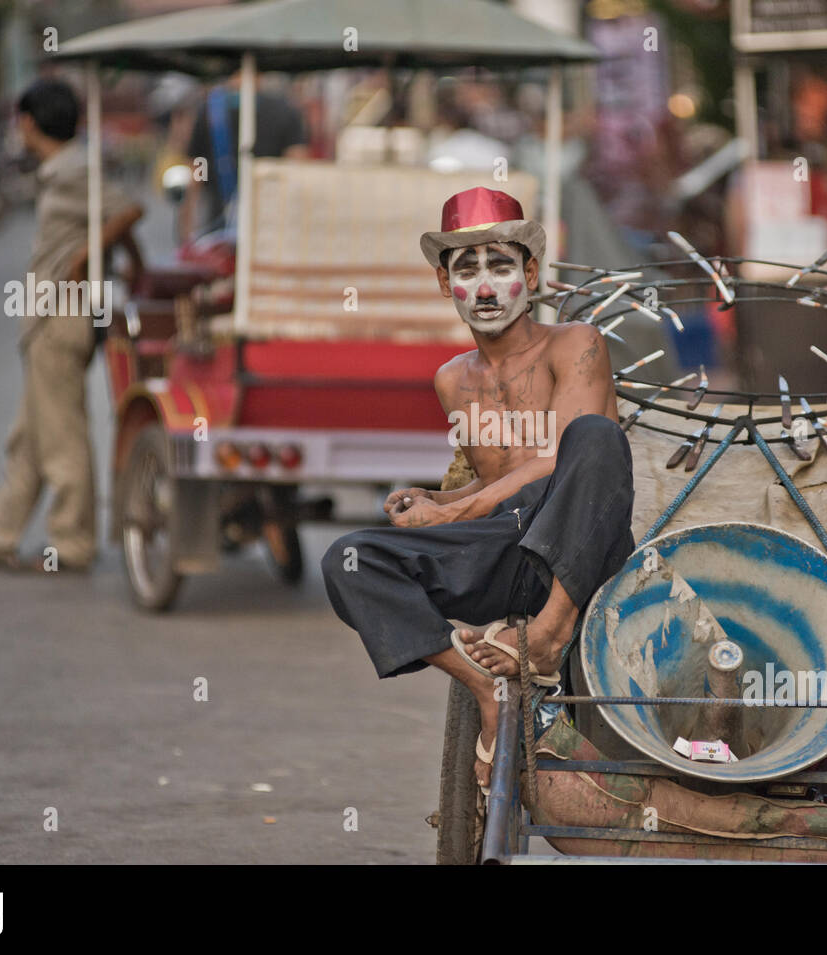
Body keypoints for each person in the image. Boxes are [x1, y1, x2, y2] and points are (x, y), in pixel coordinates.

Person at [322, 187, 635, 792]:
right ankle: (483, 685)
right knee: (347, 559)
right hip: (499, 547)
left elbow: (556, 457)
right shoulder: (450, 379)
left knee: (595, 438)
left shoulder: (577, 343)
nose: (485, 288)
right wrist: (431, 502)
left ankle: (547, 636)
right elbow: (492, 482)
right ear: (446, 285)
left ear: (531, 274)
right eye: (467, 271)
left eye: (501, 267)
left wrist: (461, 507)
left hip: (575, 546)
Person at [0, 78, 144, 573]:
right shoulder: (62, 170)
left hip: (62, 317)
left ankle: (71, 545)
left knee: (61, 437)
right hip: (46, 318)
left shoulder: (74, 167)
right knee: (29, 440)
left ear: (30, 122)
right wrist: (115, 255)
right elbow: (116, 220)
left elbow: (128, 210)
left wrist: (85, 256)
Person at [178, 77, 308, 241]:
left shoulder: (209, 111)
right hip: (270, 225)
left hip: (222, 223)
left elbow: (197, 168)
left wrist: (187, 222)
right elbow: (297, 168)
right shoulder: (286, 110)